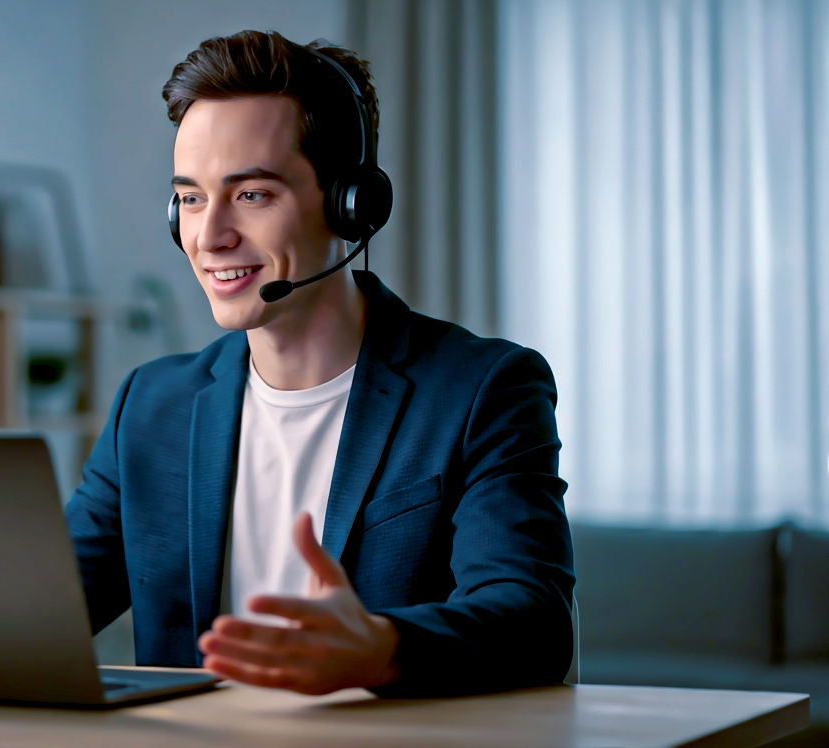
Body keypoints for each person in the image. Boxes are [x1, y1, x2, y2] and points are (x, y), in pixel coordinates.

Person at [64, 29, 574, 697]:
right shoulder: (151, 404)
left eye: (252, 195)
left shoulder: (483, 390)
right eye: (191, 198)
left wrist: (383, 650)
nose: (210, 235)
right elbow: (40, 611)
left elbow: (533, 621)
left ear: (352, 206)